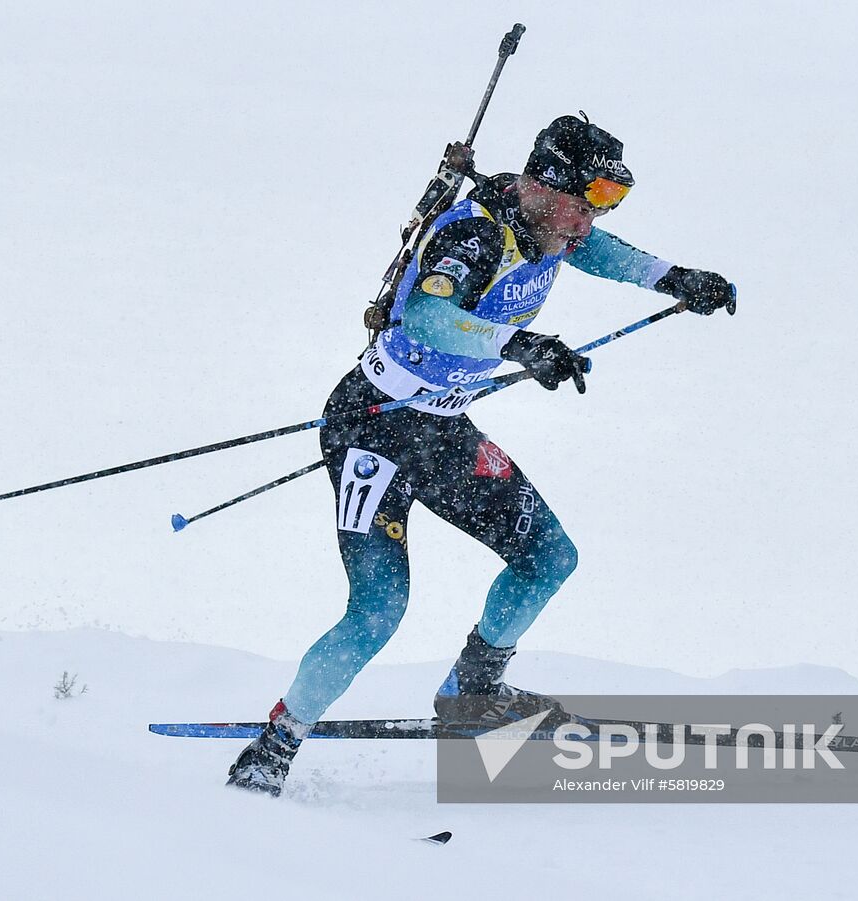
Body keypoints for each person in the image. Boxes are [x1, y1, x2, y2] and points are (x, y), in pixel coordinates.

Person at [228, 114, 733, 796]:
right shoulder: (474, 234)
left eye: (605, 204)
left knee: (550, 558)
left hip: (440, 431)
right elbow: (430, 316)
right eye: (589, 200)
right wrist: (518, 345)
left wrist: (676, 277)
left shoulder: (551, 227)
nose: (591, 219)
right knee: (378, 609)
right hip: (373, 432)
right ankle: (274, 747)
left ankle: (474, 686)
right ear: (544, 185)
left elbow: (597, 251)